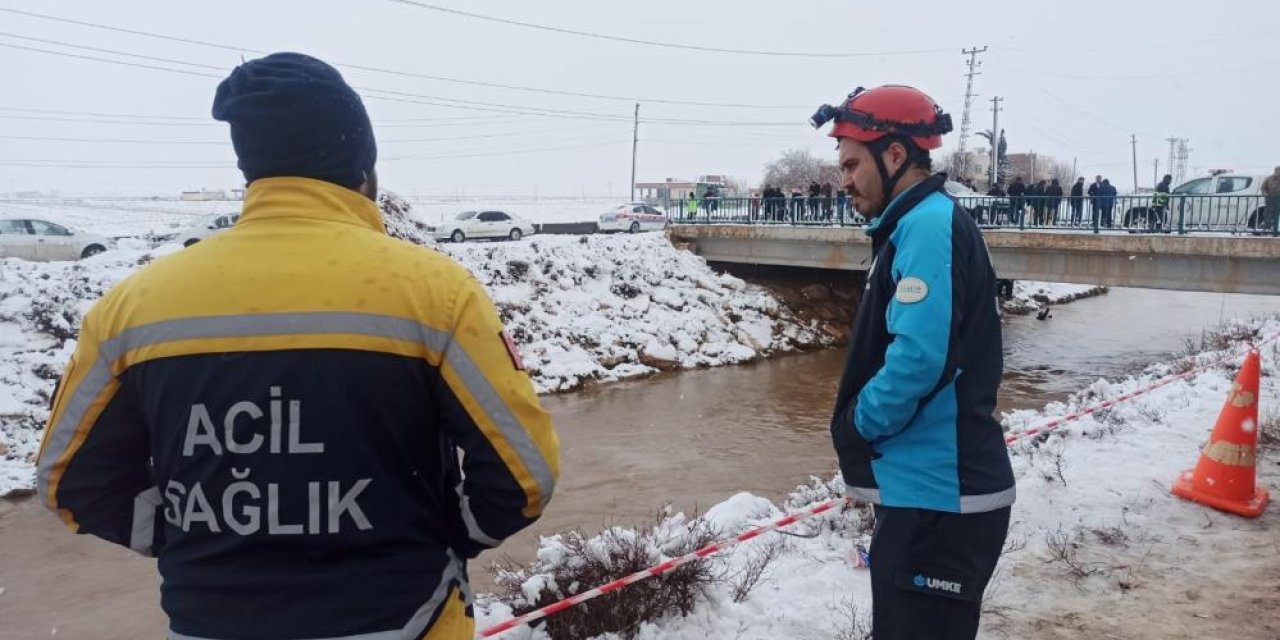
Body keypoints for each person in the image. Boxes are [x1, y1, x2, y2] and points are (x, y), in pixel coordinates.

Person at [35, 53, 560, 640]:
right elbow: (524, 476)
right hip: (405, 619)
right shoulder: (436, 293)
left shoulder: (131, 306)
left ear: (252, 168)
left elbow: (69, 481)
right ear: (363, 165)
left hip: (210, 623)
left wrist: (186, 534)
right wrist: (446, 532)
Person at [811, 85, 1013, 640]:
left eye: (852, 163)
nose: (844, 179)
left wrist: (856, 423)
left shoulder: (926, 225)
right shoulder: (912, 225)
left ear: (895, 155)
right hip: (928, 495)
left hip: (940, 502)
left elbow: (919, 361)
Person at [1262, 166, 1280, 233]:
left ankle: (1275, 231)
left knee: (1277, 216)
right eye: (1277, 172)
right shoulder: (1268, 179)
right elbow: (1263, 188)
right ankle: (1267, 229)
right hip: (1270, 199)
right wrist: (1265, 194)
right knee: (1268, 215)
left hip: (1279, 200)